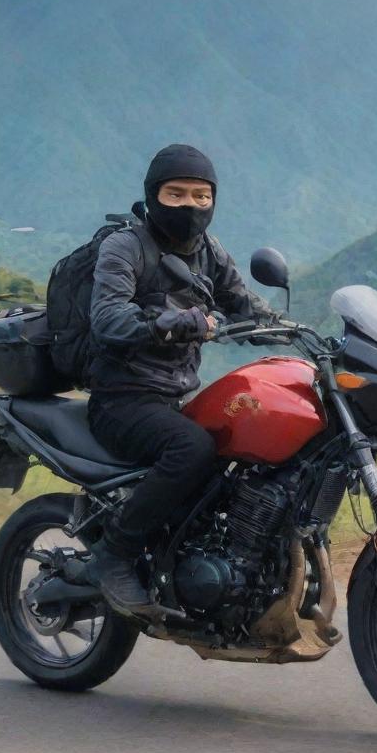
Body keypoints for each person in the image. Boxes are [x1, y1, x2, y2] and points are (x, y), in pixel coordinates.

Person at [87, 143, 274, 614]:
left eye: (200, 196)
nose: (190, 206)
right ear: (154, 196)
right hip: (122, 399)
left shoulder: (208, 252)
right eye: (176, 194)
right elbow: (108, 318)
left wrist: (302, 332)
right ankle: (115, 554)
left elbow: (241, 301)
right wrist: (177, 323)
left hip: (174, 398)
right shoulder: (125, 246)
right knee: (191, 449)